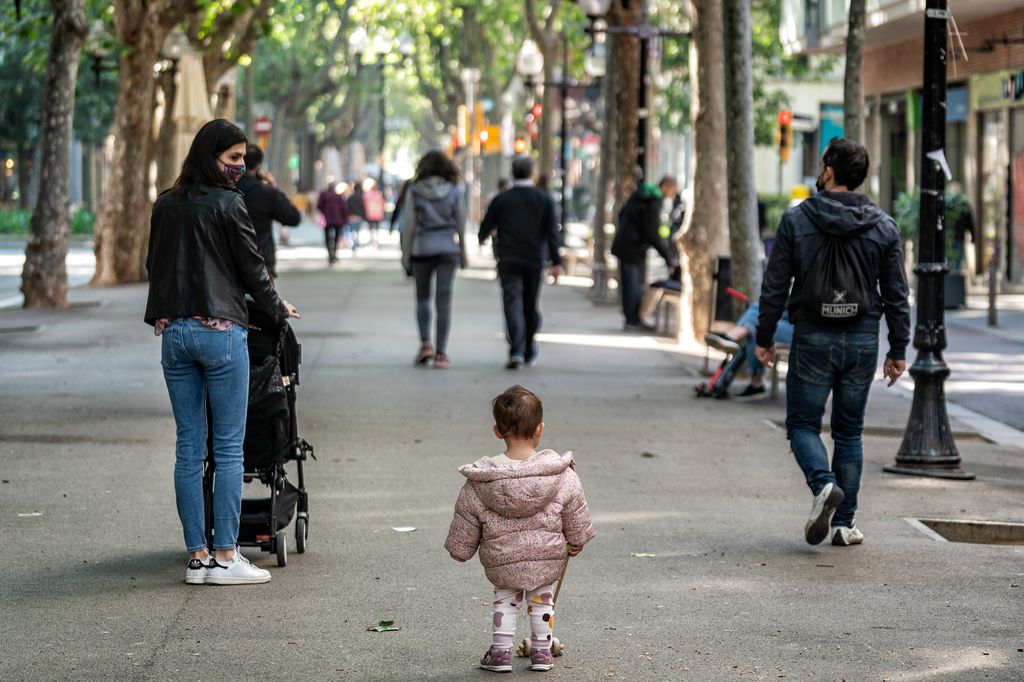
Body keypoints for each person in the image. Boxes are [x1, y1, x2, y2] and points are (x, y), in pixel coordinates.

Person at [145, 118, 301, 585]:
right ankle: (227, 555)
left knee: (190, 447)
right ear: (210, 155)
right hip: (221, 331)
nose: (239, 167)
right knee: (229, 448)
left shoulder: (166, 204)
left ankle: (196, 558)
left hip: (174, 333)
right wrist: (278, 307)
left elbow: (155, 265)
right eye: (232, 159)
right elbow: (253, 270)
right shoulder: (230, 204)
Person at [755, 137, 910, 547]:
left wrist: (765, 336)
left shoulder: (797, 220)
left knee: (803, 424)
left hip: (813, 337)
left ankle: (823, 484)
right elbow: (896, 293)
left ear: (829, 171)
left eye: (824, 164)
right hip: (861, 339)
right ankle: (844, 524)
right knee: (849, 432)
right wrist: (898, 349)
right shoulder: (883, 225)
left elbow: (775, 284)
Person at [444, 385, 595, 674]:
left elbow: (466, 516)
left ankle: (500, 654)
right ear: (539, 430)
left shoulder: (483, 481)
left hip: (503, 557)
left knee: (506, 600)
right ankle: (541, 652)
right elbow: (575, 508)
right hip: (546, 555)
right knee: (542, 601)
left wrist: (460, 549)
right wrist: (576, 539)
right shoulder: (559, 474)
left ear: (497, 431)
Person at [479, 156, 563, 369]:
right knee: (529, 303)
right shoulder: (543, 198)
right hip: (534, 259)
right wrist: (556, 261)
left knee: (512, 302)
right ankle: (528, 347)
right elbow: (552, 232)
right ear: (532, 173)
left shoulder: (503, 198)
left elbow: (487, 224)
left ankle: (516, 348)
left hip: (509, 258)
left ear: (512, 173)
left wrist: (482, 238)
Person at [400, 150, 467, 369]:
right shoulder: (455, 190)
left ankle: (425, 344)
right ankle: (441, 354)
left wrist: (406, 255)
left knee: (422, 298)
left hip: (422, 249)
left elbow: (408, 225)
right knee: (444, 301)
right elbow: (461, 224)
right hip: (448, 249)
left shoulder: (415, 190)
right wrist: (463, 253)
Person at [612, 175, 680, 331]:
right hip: (633, 248)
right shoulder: (652, 202)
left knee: (633, 284)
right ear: (666, 187)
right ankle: (632, 320)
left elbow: (622, 213)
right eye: (673, 190)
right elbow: (653, 233)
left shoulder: (641, 195)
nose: (674, 194)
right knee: (633, 285)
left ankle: (633, 318)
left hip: (628, 245)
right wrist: (668, 259)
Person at [236, 144, 301, 278]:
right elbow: (293, 217)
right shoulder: (266, 193)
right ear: (259, 165)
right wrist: (274, 188)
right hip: (260, 260)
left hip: (228, 262)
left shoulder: (225, 187)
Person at [705, 302, 794, 399]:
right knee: (756, 310)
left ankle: (732, 337)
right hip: (786, 320)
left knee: (758, 321)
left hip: (798, 329)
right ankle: (755, 385)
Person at [316, 180, 349, 264]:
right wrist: (345, 219)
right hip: (337, 220)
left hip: (327, 219)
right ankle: (333, 252)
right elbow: (344, 209)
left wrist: (324, 211)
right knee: (336, 237)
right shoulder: (338, 196)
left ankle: (330, 254)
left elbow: (318, 206)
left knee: (327, 237)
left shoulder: (323, 195)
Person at [362, 179, 386, 248]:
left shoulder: (367, 194)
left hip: (370, 214)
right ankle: (375, 240)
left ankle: (373, 240)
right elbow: (382, 203)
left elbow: (365, 205)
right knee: (376, 228)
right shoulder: (379, 194)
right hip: (378, 214)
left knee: (371, 228)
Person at [346, 179, 366, 250]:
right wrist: (364, 216)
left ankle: (353, 243)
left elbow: (347, 207)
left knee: (352, 230)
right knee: (356, 231)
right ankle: (354, 243)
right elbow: (363, 208)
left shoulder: (350, 197)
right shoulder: (361, 198)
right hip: (358, 216)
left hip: (351, 216)